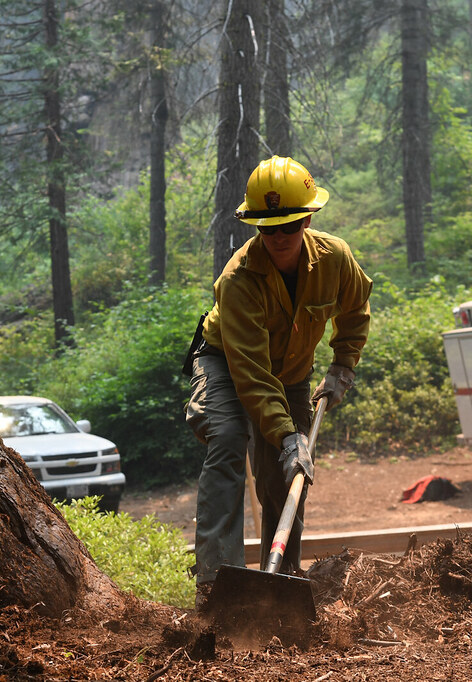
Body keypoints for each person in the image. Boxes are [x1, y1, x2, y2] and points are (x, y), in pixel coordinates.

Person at [183, 155, 373, 608]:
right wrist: (288, 434)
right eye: (267, 228)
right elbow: (250, 373)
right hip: (226, 365)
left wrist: (341, 367)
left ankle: (282, 578)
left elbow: (354, 313)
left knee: (286, 472)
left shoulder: (335, 258)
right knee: (228, 438)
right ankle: (216, 582)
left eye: (288, 226)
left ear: (307, 218)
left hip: (289, 373)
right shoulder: (239, 279)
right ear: (255, 227)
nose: (278, 237)